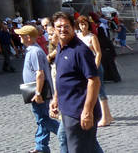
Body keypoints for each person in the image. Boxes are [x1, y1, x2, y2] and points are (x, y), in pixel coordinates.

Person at [50, 12, 103, 152]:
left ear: (73, 27)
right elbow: (61, 76)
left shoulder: (81, 51)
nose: (62, 29)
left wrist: (87, 111)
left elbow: (94, 81)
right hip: (67, 109)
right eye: (59, 26)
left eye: (66, 26)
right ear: (54, 29)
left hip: (79, 112)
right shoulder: (61, 48)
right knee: (73, 143)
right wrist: (55, 98)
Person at [15, 24, 59, 153]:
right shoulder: (32, 50)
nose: (19, 36)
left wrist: (38, 93)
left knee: (42, 119)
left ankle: (66, 133)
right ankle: (41, 147)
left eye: (21, 35)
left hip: (38, 91)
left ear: (28, 37)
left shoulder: (35, 51)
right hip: (35, 90)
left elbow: (40, 73)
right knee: (42, 119)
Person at [76, 16, 113, 127]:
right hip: (82, 67)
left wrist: (95, 66)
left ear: (88, 25)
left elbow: (98, 53)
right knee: (87, 91)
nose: (83, 26)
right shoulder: (77, 37)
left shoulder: (92, 37)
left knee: (100, 90)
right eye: (81, 24)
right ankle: (100, 114)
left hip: (93, 66)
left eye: (85, 24)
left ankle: (106, 117)